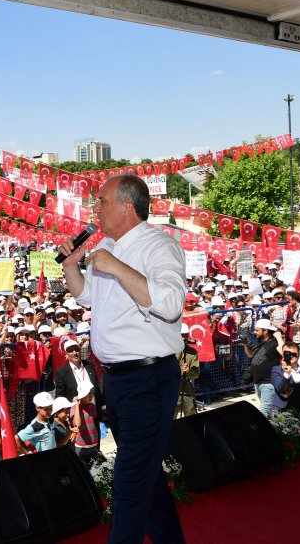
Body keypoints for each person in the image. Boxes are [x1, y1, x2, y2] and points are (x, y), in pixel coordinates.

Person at [60, 174, 186, 544]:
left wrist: (115, 266)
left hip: (148, 379)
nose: (95, 208)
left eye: (102, 201)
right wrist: (72, 265)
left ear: (127, 208)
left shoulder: (158, 248)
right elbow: (87, 297)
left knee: (129, 480)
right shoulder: (107, 245)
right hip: (115, 380)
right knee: (145, 473)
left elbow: (170, 303)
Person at [241, 319, 283, 416]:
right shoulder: (257, 341)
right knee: (269, 408)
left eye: (257, 330)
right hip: (257, 381)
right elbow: (250, 355)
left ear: (265, 331)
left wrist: (279, 337)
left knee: (264, 408)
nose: (254, 332)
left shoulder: (274, 342)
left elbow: (283, 352)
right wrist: (245, 345)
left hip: (269, 381)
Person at [270, 341, 300, 409]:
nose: (290, 356)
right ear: (282, 355)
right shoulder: (276, 370)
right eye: (287, 354)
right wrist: (287, 373)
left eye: (293, 354)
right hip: (282, 410)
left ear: (298, 355)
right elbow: (280, 389)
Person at [175, 323, 200, 417]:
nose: (184, 338)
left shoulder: (192, 352)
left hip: (186, 389)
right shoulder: (169, 351)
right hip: (172, 389)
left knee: (191, 417)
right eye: (181, 335)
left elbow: (196, 374)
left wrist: (189, 371)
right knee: (169, 419)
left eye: (185, 335)